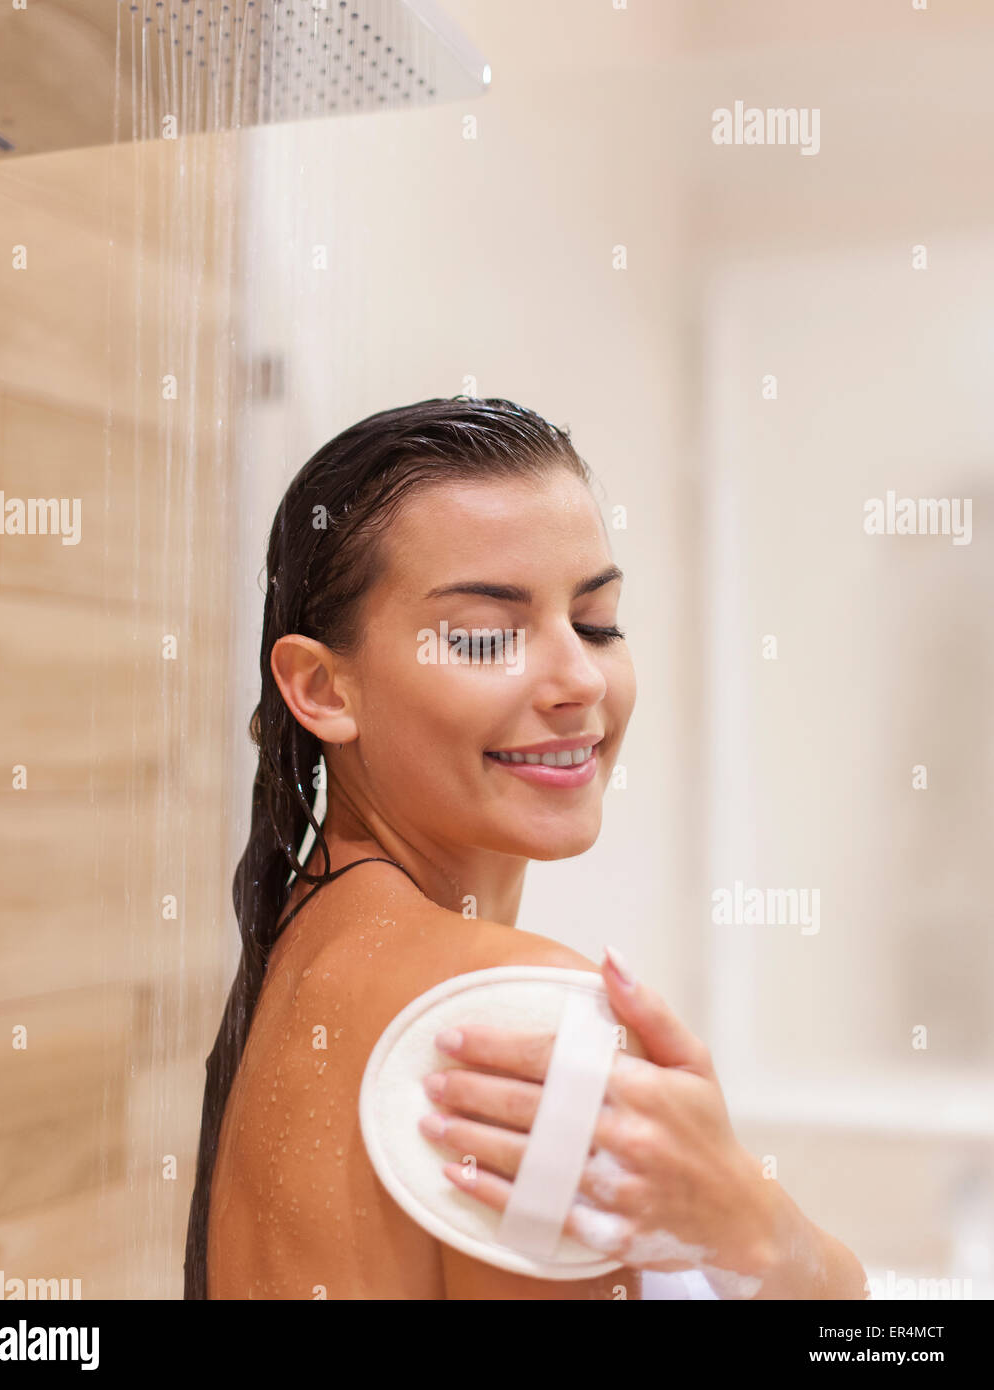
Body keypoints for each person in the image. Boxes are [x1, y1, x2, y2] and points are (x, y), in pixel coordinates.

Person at [182, 396, 866, 1300]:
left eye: (597, 622)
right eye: (484, 635)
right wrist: (767, 1235)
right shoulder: (513, 1028)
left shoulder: (304, 954)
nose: (579, 680)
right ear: (320, 686)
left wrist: (756, 1224)